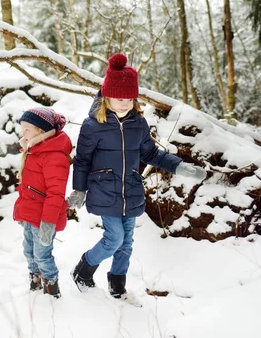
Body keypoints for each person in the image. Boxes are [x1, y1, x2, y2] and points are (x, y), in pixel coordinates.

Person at [67, 53, 206, 304]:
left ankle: (117, 284)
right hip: (104, 189)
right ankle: (83, 269)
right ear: (106, 96)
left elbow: (150, 153)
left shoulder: (138, 123)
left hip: (130, 190)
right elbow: (83, 160)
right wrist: (79, 190)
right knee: (114, 238)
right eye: (118, 98)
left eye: (129, 98)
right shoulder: (92, 125)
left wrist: (180, 167)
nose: (123, 103)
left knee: (127, 242)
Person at [13, 107, 72, 298]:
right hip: (31, 215)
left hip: (45, 219)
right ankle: (35, 285)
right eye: (22, 130)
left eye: (27, 129)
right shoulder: (34, 151)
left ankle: (51, 291)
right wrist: (21, 212)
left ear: (40, 130)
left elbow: (56, 194)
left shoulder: (54, 156)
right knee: (29, 252)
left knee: (42, 255)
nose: (23, 134)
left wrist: (48, 223)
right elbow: (27, 187)